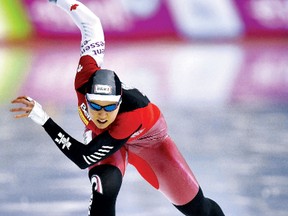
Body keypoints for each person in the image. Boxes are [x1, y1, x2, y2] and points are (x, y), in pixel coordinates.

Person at [10, 0, 225, 215]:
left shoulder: (132, 114)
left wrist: (43, 118)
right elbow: (91, 24)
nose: (102, 114)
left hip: (149, 143)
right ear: (86, 95)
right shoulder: (84, 74)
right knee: (105, 188)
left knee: (200, 210)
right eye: (95, 106)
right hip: (105, 139)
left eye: (109, 107)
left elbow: (81, 157)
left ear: (119, 102)